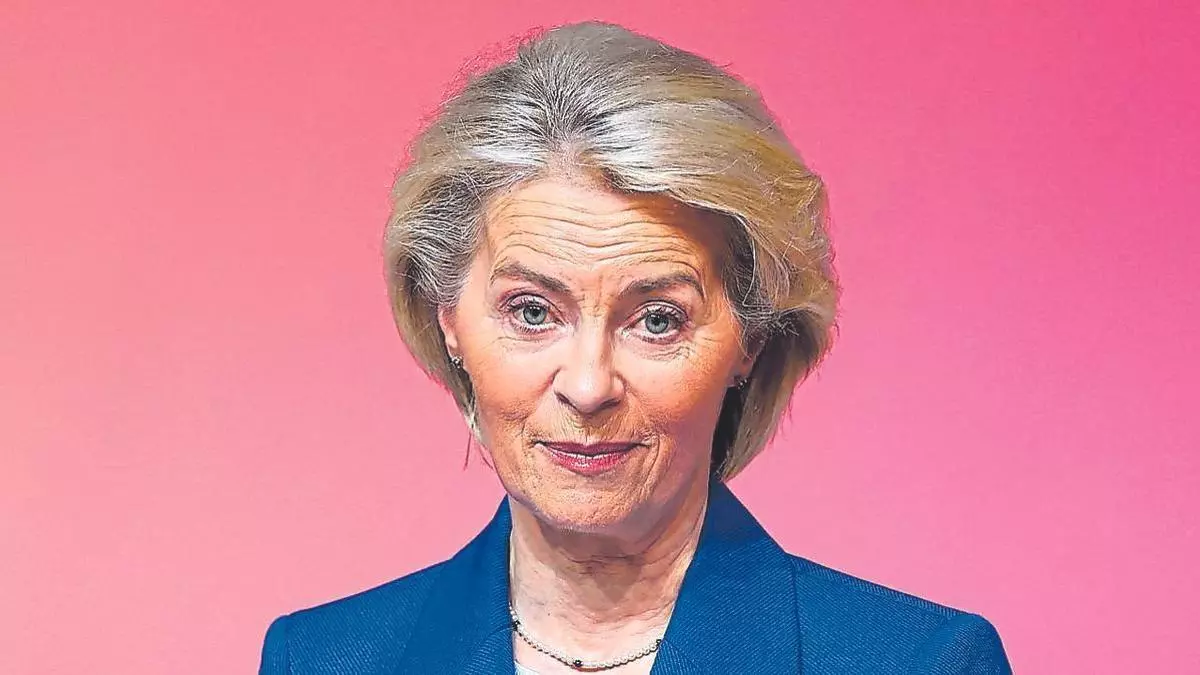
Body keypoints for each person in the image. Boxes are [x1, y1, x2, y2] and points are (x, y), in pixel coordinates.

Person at [259, 21, 1011, 674]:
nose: (589, 386)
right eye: (532, 311)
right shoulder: (319, 661)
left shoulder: (923, 663)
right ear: (447, 319)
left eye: (656, 320)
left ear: (751, 339)